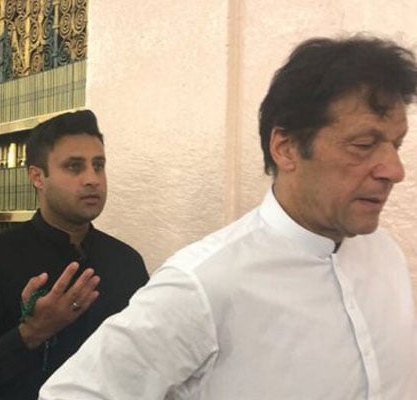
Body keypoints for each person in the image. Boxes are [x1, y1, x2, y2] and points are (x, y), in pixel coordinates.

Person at [40, 36, 417, 400]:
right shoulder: (205, 283)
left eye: (396, 145)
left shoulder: (385, 256)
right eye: (363, 145)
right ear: (286, 148)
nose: (393, 170)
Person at [0, 109, 149, 399]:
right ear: (37, 176)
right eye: (74, 167)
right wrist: (31, 333)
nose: (92, 179)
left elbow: (146, 360)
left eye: (98, 165)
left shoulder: (126, 262)